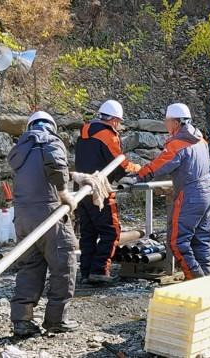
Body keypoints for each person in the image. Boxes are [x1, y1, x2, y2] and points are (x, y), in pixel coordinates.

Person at [8, 111, 78, 336]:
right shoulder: (49, 139)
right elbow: (56, 163)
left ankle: (22, 320)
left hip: (22, 216)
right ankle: (56, 319)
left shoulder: (20, 148)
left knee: (29, 266)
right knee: (64, 264)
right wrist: (64, 192)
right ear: (51, 126)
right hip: (48, 213)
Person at [137, 103, 210, 280]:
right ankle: (208, 281)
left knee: (178, 242)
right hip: (207, 194)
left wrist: (139, 175)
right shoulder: (201, 141)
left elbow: (160, 165)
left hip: (190, 196)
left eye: (167, 121)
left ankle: (195, 279)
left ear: (176, 123)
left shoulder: (178, 144)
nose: (166, 125)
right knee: (201, 240)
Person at [75, 100, 141, 284]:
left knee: (88, 233)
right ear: (113, 120)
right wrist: (137, 168)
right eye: (118, 122)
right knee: (111, 231)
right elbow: (120, 163)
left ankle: (86, 271)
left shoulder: (84, 131)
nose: (118, 126)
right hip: (100, 190)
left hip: (82, 189)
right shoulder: (108, 136)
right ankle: (100, 270)